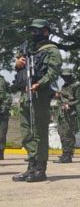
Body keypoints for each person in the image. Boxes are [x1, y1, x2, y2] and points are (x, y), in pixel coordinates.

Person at [12, 19, 62, 182]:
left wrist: (38, 84)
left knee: (39, 133)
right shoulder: (29, 50)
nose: (34, 33)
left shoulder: (52, 50)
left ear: (46, 31)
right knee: (27, 133)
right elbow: (20, 67)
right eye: (32, 30)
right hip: (25, 94)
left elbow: (53, 73)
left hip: (40, 95)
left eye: (37, 30)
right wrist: (18, 64)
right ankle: (31, 167)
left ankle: (40, 169)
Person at [54, 69, 80, 163]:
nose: (65, 78)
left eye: (67, 76)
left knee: (67, 133)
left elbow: (78, 100)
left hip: (69, 113)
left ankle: (68, 154)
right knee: (61, 133)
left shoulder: (76, 86)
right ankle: (64, 153)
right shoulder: (64, 86)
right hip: (61, 112)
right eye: (64, 76)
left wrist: (69, 104)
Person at [0, 75, 12, 160]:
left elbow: (1, 95)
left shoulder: (1, 80)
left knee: (1, 133)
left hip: (2, 111)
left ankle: (0, 152)